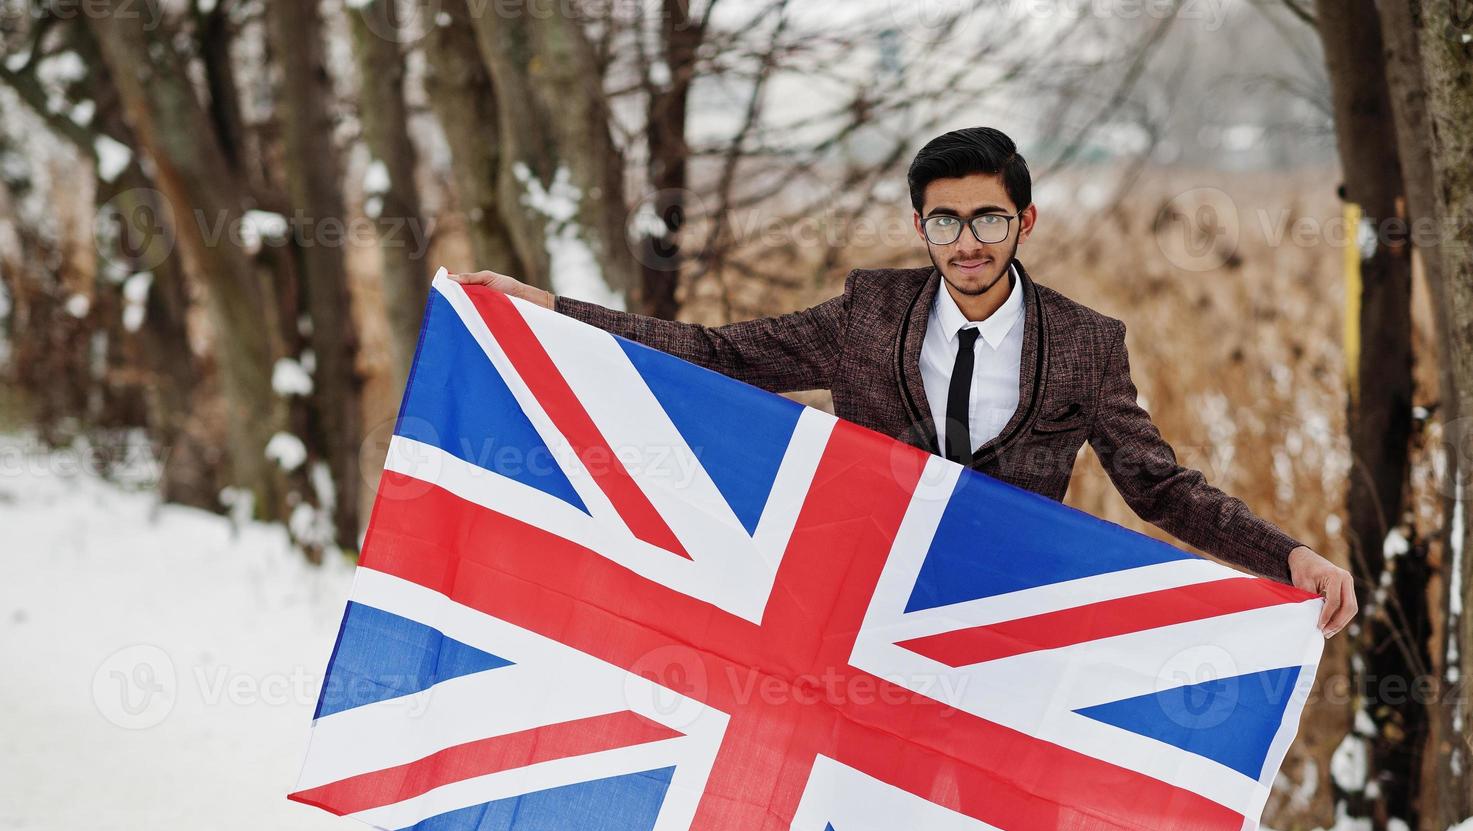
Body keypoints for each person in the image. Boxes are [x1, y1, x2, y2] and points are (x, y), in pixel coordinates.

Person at [451, 126, 1357, 638]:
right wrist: (553, 314)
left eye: (988, 217)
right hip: (858, 612)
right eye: (944, 221)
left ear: (1025, 219)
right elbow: (718, 354)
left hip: (1004, 621)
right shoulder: (866, 315)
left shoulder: (1085, 345)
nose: (967, 241)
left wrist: (1290, 558)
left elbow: (1159, 487)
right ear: (920, 225)